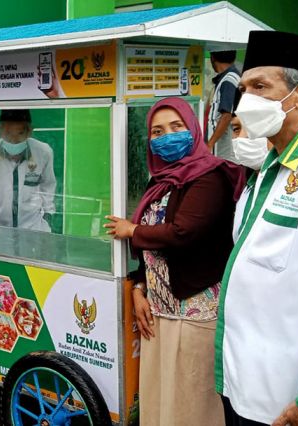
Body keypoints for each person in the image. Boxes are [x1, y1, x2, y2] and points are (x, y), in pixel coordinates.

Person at [216, 30, 298, 426]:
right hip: (243, 384)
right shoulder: (269, 166)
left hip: (291, 400)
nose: (246, 99)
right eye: (244, 87)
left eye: (260, 86)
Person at [105, 97, 245, 426]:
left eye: (176, 127)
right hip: (160, 310)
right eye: (157, 131)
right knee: (160, 398)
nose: (167, 136)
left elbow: (184, 232)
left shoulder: (210, 176)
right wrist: (139, 287)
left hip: (195, 309)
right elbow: (155, 253)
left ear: (193, 129)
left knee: (191, 402)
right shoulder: (162, 182)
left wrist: (133, 230)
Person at [0, 109, 56, 232]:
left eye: (20, 133)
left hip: (33, 228)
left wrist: (48, 220)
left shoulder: (43, 152)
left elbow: (48, 186)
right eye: (8, 133)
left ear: (29, 132)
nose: (13, 140)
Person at [207, 50, 241, 161]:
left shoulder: (228, 80)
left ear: (213, 58)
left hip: (225, 146)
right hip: (227, 145)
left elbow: (226, 115)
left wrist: (210, 143)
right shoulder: (234, 76)